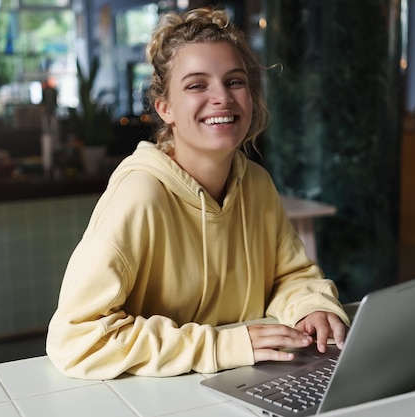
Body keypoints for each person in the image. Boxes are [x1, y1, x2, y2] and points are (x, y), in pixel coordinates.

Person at [46, 6, 349, 380]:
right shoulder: (140, 195)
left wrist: (310, 307)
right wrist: (224, 346)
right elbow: (75, 338)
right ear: (165, 108)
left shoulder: (256, 183)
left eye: (235, 81)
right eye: (196, 85)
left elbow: (289, 276)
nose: (222, 97)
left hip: (245, 383)